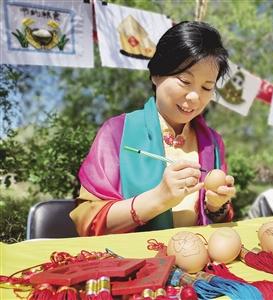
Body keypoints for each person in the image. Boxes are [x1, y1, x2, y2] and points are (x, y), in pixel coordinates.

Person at [70, 21, 236, 236]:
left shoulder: (212, 143)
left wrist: (216, 206)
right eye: (185, 81)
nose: (195, 96)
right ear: (156, 75)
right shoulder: (117, 132)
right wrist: (159, 198)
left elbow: (218, 222)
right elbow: (89, 220)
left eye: (207, 87)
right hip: (131, 262)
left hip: (196, 261)